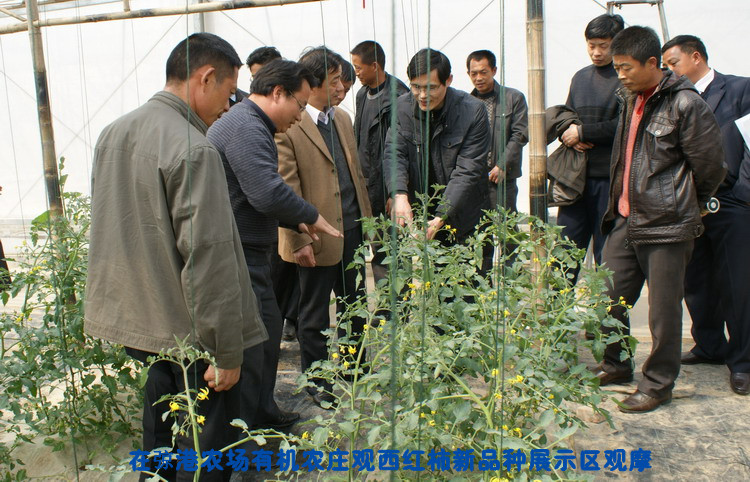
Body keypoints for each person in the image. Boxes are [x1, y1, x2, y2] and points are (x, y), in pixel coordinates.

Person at [85, 33, 267, 481]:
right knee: (204, 446)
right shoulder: (193, 147)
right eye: (228, 93)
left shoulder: (115, 131)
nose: (228, 106)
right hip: (191, 332)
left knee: (160, 428)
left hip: (144, 318)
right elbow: (208, 258)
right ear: (205, 77)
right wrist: (226, 352)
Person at [592, 26, 725, 413]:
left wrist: (685, 204)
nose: (620, 75)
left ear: (653, 63)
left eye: (626, 67)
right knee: (608, 298)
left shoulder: (685, 103)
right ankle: (616, 364)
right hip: (626, 219)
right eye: (617, 68)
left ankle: (657, 383)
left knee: (663, 312)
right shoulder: (629, 99)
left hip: (667, 224)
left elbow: (711, 166)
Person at [207, 59, 342, 431]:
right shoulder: (248, 126)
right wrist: (310, 215)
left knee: (265, 336)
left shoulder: (250, 122)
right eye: (300, 105)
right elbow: (266, 191)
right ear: (278, 93)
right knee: (254, 342)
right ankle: (244, 427)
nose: (300, 115)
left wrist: (295, 218)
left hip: (248, 249)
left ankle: (260, 411)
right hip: (238, 254)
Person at [276, 47, 372, 408]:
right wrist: (298, 237)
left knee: (354, 304)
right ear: (312, 83)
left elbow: (354, 174)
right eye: (334, 82)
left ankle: (354, 367)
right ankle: (317, 380)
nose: (342, 89)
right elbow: (286, 187)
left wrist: (366, 223)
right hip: (314, 235)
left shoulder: (342, 118)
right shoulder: (291, 123)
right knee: (313, 314)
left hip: (351, 228)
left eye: (344, 82)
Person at [661, 35, 750, 396]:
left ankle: (743, 362)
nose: (669, 71)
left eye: (673, 63)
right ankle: (709, 345)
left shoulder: (740, 90)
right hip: (690, 203)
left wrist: (744, 193)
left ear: (696, 57)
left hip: (732, 202)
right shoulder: (673, 99)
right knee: (695, 281)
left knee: (737, 284)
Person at [385, 48, 490, 254]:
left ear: (448, 80)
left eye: (431, 88)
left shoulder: (472, 111)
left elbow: (467, 170)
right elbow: (394, 153)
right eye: (416, 87)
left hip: (463, 214)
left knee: (467, 268)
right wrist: (399, 194)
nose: (422, 95)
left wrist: (441, 216)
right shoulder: (402, 107)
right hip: (424, 211)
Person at [558, 14, 624, 284]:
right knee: (564, 253)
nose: (596, 52)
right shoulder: (580, 77)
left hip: (610, 180)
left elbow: (624, 124)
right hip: (576, 179)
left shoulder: (625, 77)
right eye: (591, 45)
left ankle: (606, 312)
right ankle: (558, 311)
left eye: (603, 46)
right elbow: (566, 115)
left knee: (606, 256)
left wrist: (583, 132)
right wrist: (568, 133)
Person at [350, 40, 409, 283]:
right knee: (375, 244)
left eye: (358, 67)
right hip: (366, 185)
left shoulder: (399, 96)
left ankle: (396, 300)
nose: (356, 73)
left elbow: (399, 149)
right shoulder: (362, 94)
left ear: (375, 66)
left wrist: (394, 190)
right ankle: (383, 300)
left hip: (386, 187)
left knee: (392, 249)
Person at [466, 49, 528, 213]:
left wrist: (503, 164)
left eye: (483, 72)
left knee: (505, 224)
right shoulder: (466, 103)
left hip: (501, 177)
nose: (478, 78)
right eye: (474, 73)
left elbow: (520, 135)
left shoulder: (513, 98)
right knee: (477, 226)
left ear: (494, 71)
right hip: (474, 178)